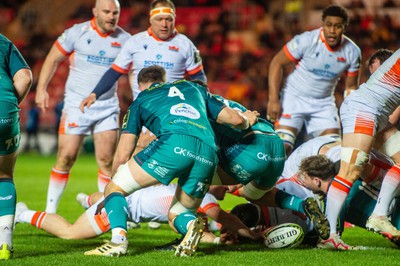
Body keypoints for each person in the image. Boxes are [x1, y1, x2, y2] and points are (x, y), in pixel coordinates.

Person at [83, 65, 257, 257]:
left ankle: (118, 242)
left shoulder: (141, 100)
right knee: (178, 214)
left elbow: (123, 154)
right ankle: (191, 225)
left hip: (174, 144)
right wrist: (247, 120)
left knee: (114, 188)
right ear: (163, 80)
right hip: (208, 153)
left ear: (140, 85)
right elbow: (233, 119)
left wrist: (111, 194)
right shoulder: (192, 87)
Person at [34, 0, 130, 213]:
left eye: (115, 13)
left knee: (106, 160)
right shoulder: (77, 33)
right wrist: (41, 88)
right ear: (95, 12)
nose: (111, 16)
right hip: (77, 105)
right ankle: (50, 211)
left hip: (107, 106)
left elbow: (133, 72)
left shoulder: (125, 39)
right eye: (106, 12)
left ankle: (107, 212)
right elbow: (52, 59)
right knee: (66, 156)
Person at [208, 92, 330, 241]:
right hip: (276, 146)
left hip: (255, 150)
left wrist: (247, 235)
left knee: (197, 185)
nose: (226, 191)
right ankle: (301, 205)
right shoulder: (222, 104)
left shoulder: (205, 114)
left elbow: (214, 211)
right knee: (253, 194)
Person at [323, 48, 400, 249]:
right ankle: (329, 235)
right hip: (364, 108)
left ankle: (379, 215)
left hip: (378, 114)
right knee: (351, 170)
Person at [14, 184, 257, 245]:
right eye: (226, 184)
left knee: (105, 199)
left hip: (129, 201)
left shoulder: (193, 188)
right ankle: (22, 213)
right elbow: (226, 218)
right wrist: (254, 236)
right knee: (70, 234)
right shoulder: (207, 198)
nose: (229, 188)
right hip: (120, 210)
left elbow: (178, 227)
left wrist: (215, 238)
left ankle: (91, 199)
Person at [267, 4, 361, 155]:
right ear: (322, 24)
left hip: (323, 104)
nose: (332, 30)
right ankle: (264, 178)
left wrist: (351, 112)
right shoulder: (306, 40)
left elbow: (351, 88)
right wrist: (273, 99)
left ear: (344, 28)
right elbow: (276, 62)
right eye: (328, 25)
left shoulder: (353, 51)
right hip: (294, 99)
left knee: (333, 152)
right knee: (282, 149)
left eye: (337, 26)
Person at [80, 0, 206, 110]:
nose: (164, 24)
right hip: (143, 111)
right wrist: (95, 94)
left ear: (174, 19)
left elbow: (198, 76)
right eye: (159, 19)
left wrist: (203, 100)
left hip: (173, 112)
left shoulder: (186, 44)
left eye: (168, 19)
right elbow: (114, 72)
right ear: (151, 19)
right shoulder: (135, 42)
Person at [0, 34, 33, 260]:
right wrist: (10, 104)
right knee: (4, 176)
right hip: (5, 109)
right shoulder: (3, 42)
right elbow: (25, 77)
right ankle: (4, 244)